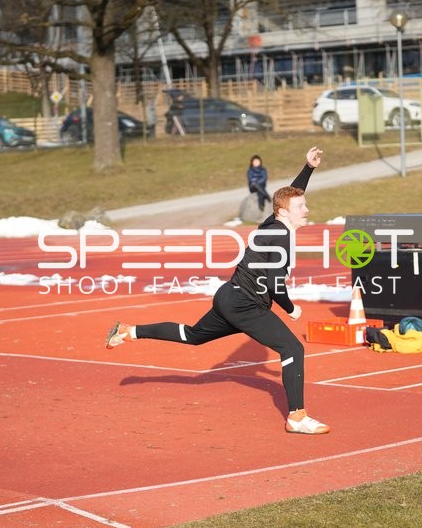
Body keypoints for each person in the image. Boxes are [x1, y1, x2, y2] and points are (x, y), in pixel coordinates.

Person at [106, 146, 330, 434]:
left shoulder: (273, 222)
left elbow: (291, 195)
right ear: (285, 212)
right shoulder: (280, 237)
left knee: (192, 335)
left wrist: (308, 168)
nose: (307, 210)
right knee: (292, 348)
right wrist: (291, 308)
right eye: (301, 208)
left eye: (305, 205)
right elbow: (275, 284)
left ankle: (129, 331)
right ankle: (297, 417)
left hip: (229, 296)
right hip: (244, 304)